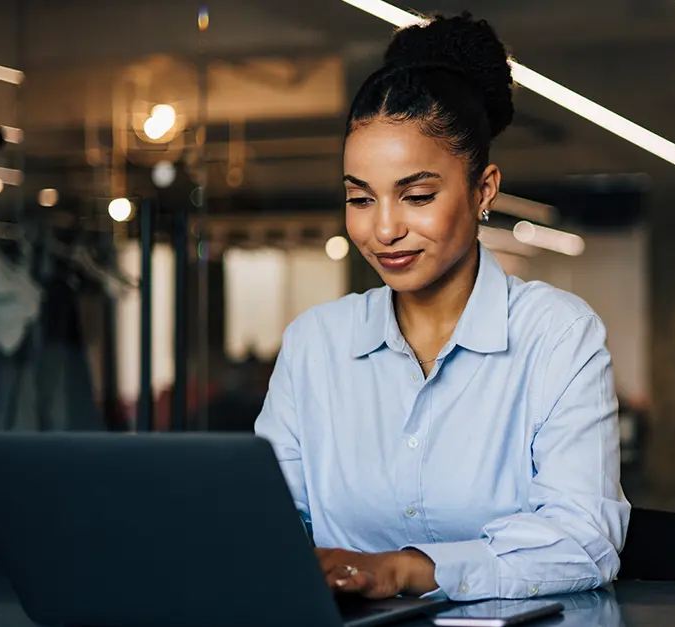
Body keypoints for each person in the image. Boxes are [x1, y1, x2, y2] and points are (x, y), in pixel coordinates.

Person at [253, 14, 630, 603]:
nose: (384, 229)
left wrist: (403, 570)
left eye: (418, 196)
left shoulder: (557, 336)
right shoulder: (315, 345)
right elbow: (263, 523)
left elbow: (584, 539)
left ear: (484, 191)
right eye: (360, 198)